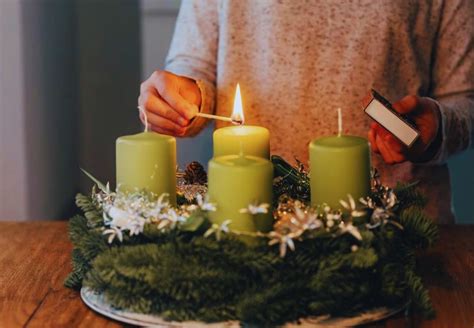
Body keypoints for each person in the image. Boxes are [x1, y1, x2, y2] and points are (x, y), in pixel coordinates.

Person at [138, 0, 473, 223]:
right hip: (252, 225)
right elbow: (193, 66)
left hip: (397, 233)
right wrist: (181, 98)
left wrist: (438, 128)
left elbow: (464, 99)